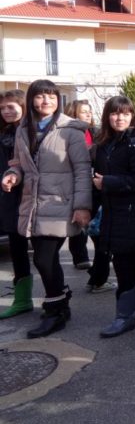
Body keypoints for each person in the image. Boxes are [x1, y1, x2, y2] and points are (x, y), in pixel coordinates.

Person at [1, 80, 91, 338]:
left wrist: (82, 206)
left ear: (58, 100)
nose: (46, 101)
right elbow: (18, 162)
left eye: (51, 96)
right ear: (31, 100)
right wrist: (12, 175)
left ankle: (55, 312)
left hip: (60, 203)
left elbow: (83, 171)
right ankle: (59, 305)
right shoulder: (23, 130)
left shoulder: (70, 131)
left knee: (43, 258)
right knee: (46, 260)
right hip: (33, 204)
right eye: (40, 96)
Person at [91, 96, 135, 337]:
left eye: (125, 113)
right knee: (129, 261)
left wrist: (106, 182)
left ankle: (124, 315)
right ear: (107, 116)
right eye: (115, 113)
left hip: (133, 215)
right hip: (114, 212)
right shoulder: (106, 143)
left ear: (132, 116)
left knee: (122, 263)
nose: (120, 118)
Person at [0, 90, 33, 319]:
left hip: (30, 195)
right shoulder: (3, 133)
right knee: (17, 249)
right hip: (7, 196)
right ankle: (22, 300)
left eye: (11, 106)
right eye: (2, 108)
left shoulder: (31, 132)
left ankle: (56, 298)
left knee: (43, 253)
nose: (6, 112)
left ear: (23, 106)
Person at [64, 99, 96, 271]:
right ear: (73, 114)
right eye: (84, 111)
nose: (89, 114)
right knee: (79, 222)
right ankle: (80, 256)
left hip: (95, 181)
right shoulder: (68, 133)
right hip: (76, 182)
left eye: (89, 111)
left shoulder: (95, 132)